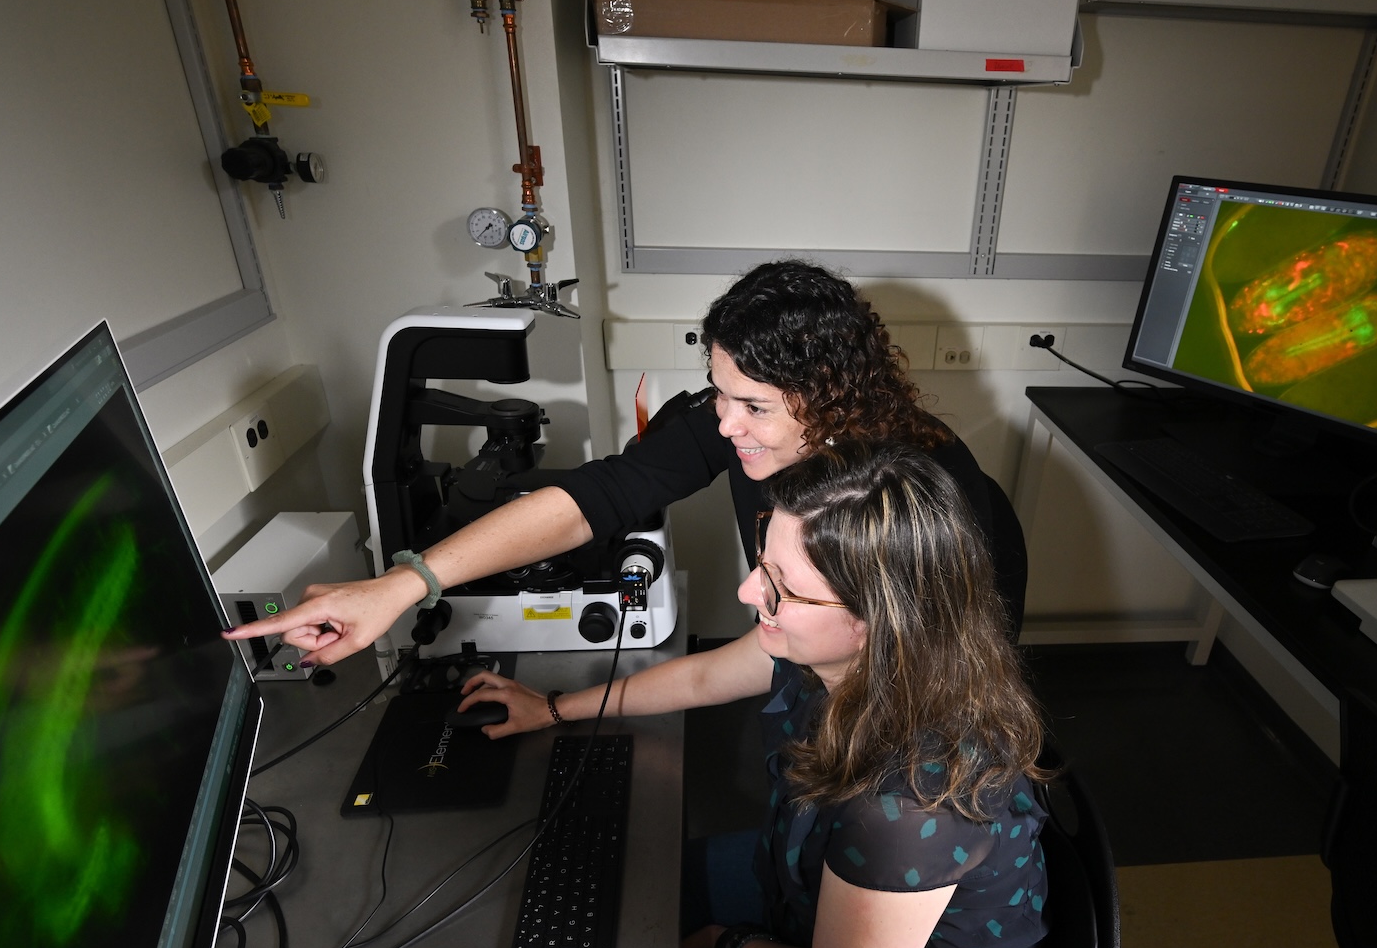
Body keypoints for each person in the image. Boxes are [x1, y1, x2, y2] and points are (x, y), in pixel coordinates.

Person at [454, 446, 1054, 948]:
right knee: (621, 894)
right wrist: (556, 706)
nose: (748, 591)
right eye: (762, 563)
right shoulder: (839, 656)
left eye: (780, 586)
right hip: (814, 886)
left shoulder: (909, 805)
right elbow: (707, 675)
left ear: (874, 621)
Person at [221, 259, 1028, 665]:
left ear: (829, 398)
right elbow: (600, 495)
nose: (724, 423)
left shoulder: (918, 497)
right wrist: (404, 584)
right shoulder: (739, 420)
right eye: (718, 391)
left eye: (752, 406)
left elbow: (933, 696)